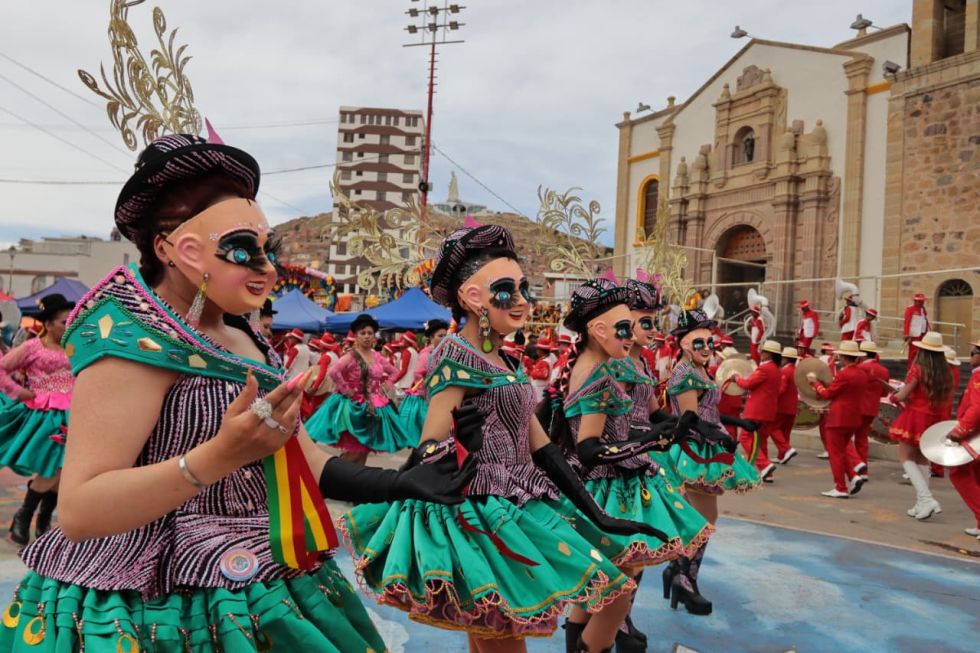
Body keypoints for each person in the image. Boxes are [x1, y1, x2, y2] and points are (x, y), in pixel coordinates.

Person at [0, 133, 476, 652]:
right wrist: (220, 456)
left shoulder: (244, 336)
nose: (267, 269)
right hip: (151, 602)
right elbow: (81, 510)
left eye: (268, 250)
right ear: (169, 247)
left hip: (264, 580)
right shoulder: (132, 340)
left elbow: (304, 457)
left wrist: (401, 483)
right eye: (243, 250)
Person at [341, 225, 650, 653]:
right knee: (500, 634)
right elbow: (429, 445)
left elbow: (542, 448)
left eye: (524, 288)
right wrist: (456, 446)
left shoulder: (506, 359)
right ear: (472, 297)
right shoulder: (455, 354)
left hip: (520, 500)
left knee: (514, 627)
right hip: (480, 516)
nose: (522, 300)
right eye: (507, 290)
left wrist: (596, 513)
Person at [548, 278, 713, 651]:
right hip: (606, 485)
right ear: (599, 330)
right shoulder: (601, 377)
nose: (639, 333)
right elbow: (591, 448)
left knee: (602, 584)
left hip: (600, 482)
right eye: (628, 326)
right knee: (617, 588)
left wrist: (668, 430)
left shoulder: (595, 368)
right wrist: (650, 441)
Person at [650, 309, 761, 617]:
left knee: (697, 518)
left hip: (708, 446)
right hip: (696, 452)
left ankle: (679, 572)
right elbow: (690, 419)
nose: (707, 348)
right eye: (699, 342)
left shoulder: (698, 371)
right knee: (704, 520)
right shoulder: (685, 373)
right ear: (685, 344)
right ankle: (684, 579)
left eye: (709, 342)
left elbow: (708, 411)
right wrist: (721, 437)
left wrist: (738, 423)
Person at [0, 293, 74, 545]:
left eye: (71, 321)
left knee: (64, 470)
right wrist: (18, 392)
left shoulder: (75, 345)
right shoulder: (32, 347)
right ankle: (25, 516)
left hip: (75, 414)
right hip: (47, 416)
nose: (69, 325)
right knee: (54, 468)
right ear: (49, 323)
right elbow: (2, 369)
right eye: (64, 321)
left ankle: (42, 520)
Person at [304, 313, 414, 465]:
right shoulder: (351, 356)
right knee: (356, 450)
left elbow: (394, 372)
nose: (367, 336)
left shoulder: (377, 356)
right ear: (356, 335)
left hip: (374, 405)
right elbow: (334, 371)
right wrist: (346, 389)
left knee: (364, 450)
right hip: (353, 407)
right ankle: (339, 473)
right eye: (363, 333)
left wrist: (386, 386)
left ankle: (353, 476)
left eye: (370, 333)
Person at [888, 331, 953, 519]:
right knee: (923, 459)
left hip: (915, 415)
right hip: (933, 417)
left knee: (906, 457)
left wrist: (893, 397)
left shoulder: (918, 369)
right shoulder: (945, 371)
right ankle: (921, 503)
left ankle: (926, 499)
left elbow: (903, 394)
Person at [808, 340, 869, 498]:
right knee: (841, 451)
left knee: (835, 453)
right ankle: (853, 477)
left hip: (838, 418)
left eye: (840, 356)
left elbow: (827, 394)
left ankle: (840, 487)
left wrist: (815, 383)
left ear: (845, 357)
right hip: (854, 417)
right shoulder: (862, 374)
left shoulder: (845, 374)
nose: (839, 359)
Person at [730, 339, 783, 482]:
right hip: (769, 411)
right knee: (761, 441)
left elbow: (748, 384)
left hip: (756, 410)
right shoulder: (777, 369)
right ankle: (767, 473)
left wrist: (737, 379)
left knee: (745, 438)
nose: (761, 353)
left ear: (769, 354)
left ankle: (764, 465)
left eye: (764, 351)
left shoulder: (765, 368)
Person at [949, 337, 980, 539]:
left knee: (958, 473)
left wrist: (960, 430)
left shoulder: (978, 376)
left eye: (974, 353)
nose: (971, 357)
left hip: (974, 434)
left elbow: (977, 407)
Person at [398, 319, 449, 435]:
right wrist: (422, 391)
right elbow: (417, 373)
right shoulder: (426, 354)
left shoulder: (445, 353)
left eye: (445, 335)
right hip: (429, 395)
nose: (444, 339)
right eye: (440, 336)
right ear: (431, 338)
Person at [856, 341, 890, 480]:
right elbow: (884, 393)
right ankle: (862, 469)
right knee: (862, 439)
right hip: (872, 408)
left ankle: (856, 467)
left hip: (856, 407)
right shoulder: (884, 370)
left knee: (846, 439)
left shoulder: (859, 368)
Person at [771, 346, 800, 465]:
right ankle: (782, 456)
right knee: (785, 432)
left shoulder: (785, 371)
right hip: (792, 406)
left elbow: (781, 390)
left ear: (786, 359)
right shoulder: (797, 371)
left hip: (782, 406)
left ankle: (786, 449)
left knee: (772, 428)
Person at [903, 293, 929, 368]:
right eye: (920, 301)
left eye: (922, 301)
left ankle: (919, 368)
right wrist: (906, 333)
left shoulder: (923, 309)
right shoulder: (910, 309)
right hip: (914, 335)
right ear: (915, 301)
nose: (922, 303)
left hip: (922, 334)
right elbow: (907, 322)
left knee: (921, 352)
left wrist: (926, 331)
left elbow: (925, 321)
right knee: (913, 352)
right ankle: (911, 368)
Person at [528, 337, 557, 401]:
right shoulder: (551, 357)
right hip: (543, 388)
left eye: (537, 349)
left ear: (540, 350)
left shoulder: (545, 361)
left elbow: (544, 375)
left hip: (541, 390)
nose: (536, 351)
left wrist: (532, 373)